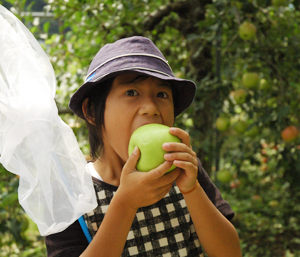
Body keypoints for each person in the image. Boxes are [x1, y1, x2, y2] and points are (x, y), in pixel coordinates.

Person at [45, 36, 242, 257]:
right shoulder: (72, 194)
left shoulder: (184, 169)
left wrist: (192, 189)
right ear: (92, 111)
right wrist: (124, 204)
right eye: (131, 93)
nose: (151, 108)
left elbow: (230, 253)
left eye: (162, 94)